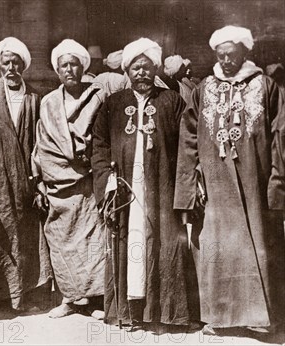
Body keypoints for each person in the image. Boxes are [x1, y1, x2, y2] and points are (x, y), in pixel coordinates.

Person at [174, 25, 285, 335]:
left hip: (255, 184)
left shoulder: (266, 86)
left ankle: (261, 318)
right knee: (215, 247)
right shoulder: (204, 88)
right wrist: (189, 184)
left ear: (244, 54)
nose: (226, 62)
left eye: (232, 56)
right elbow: (188, 138)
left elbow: (280, 135)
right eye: (221, 56)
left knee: (259, 246)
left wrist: (277, 184)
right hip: (214, 185)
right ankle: (218, 316)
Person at [92, 38, 199, 329]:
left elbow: (187, 146)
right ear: (127, 71)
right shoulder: (113, 104)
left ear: (155, 70)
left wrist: (183, 186)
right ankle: (128, 313)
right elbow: (99, 146)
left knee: (164, 246)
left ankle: (163, 315)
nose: (141, 73)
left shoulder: (172, 101)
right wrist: (106, 183)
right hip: (125, 189)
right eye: (135, 68)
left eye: (147, 67)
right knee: (130, 243)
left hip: (161, 188)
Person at [33, 39, 107, 318]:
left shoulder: (97, 96)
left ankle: (96, 299)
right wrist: (42, 175)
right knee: (61, 240)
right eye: (63, 65)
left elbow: (101, 137)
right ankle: (70, 298)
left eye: (74, 63)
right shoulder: (48, 102)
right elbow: (41, 142)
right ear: (57, 70)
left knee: (91, 239)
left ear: (82, 66)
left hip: (87, 180)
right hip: (57, 182)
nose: (69, 69)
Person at [0, 37, 52, 313]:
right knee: (2, 232)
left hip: (28, 177)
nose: (11, 67)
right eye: (6, 62)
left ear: (23, 65)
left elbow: (42, 140)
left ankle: (31, 293)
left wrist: (39, 178)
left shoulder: (35, 98)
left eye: (16, 63)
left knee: (29, 234)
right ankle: (2, 296)